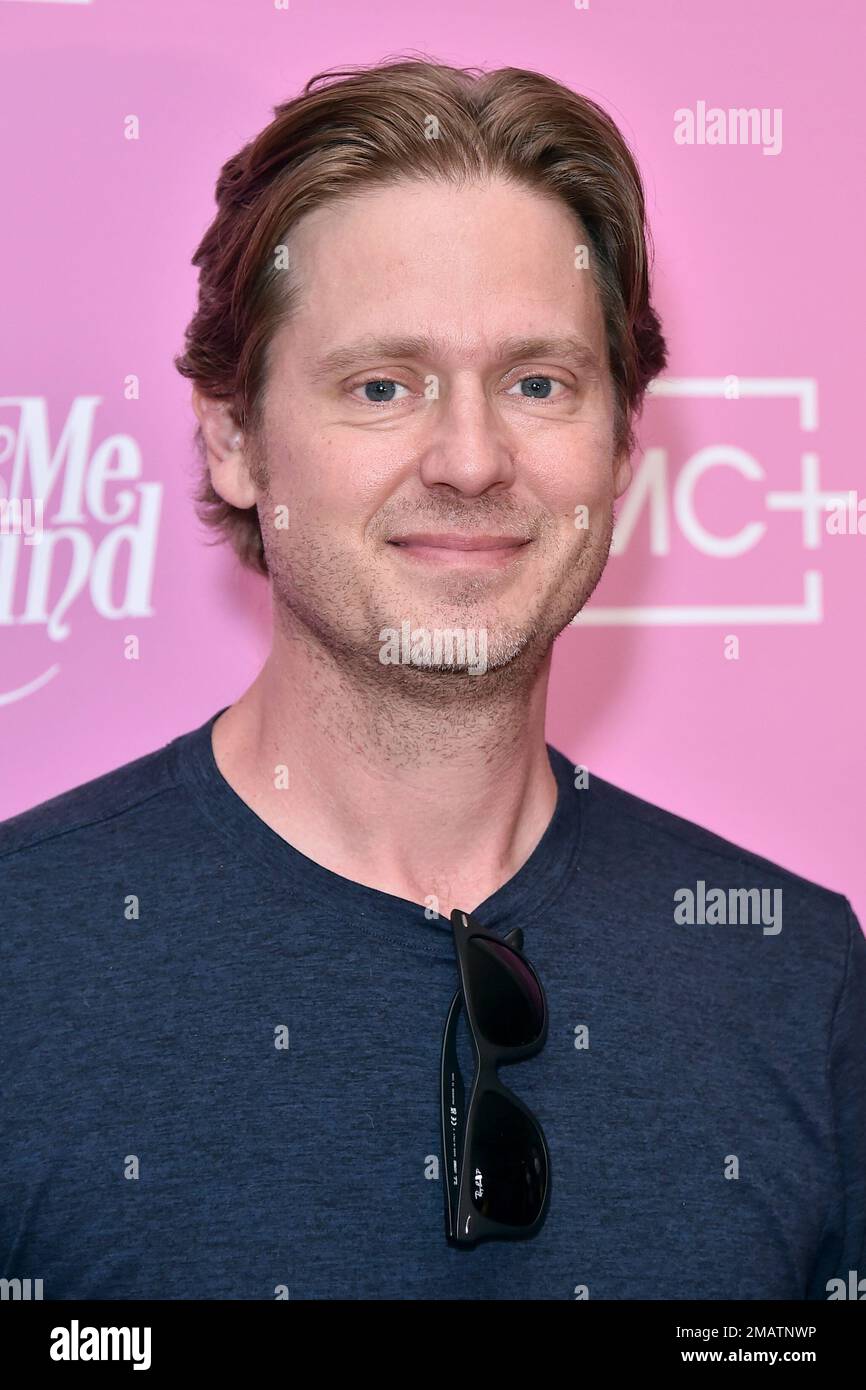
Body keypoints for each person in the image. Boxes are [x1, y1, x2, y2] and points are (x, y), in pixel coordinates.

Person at [1, 58, 863, 1301]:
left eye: (535, 383)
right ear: (234, 438)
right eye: (381, 386)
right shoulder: (24, 957)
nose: (468, 459)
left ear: (621, 444)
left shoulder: (792, 971)